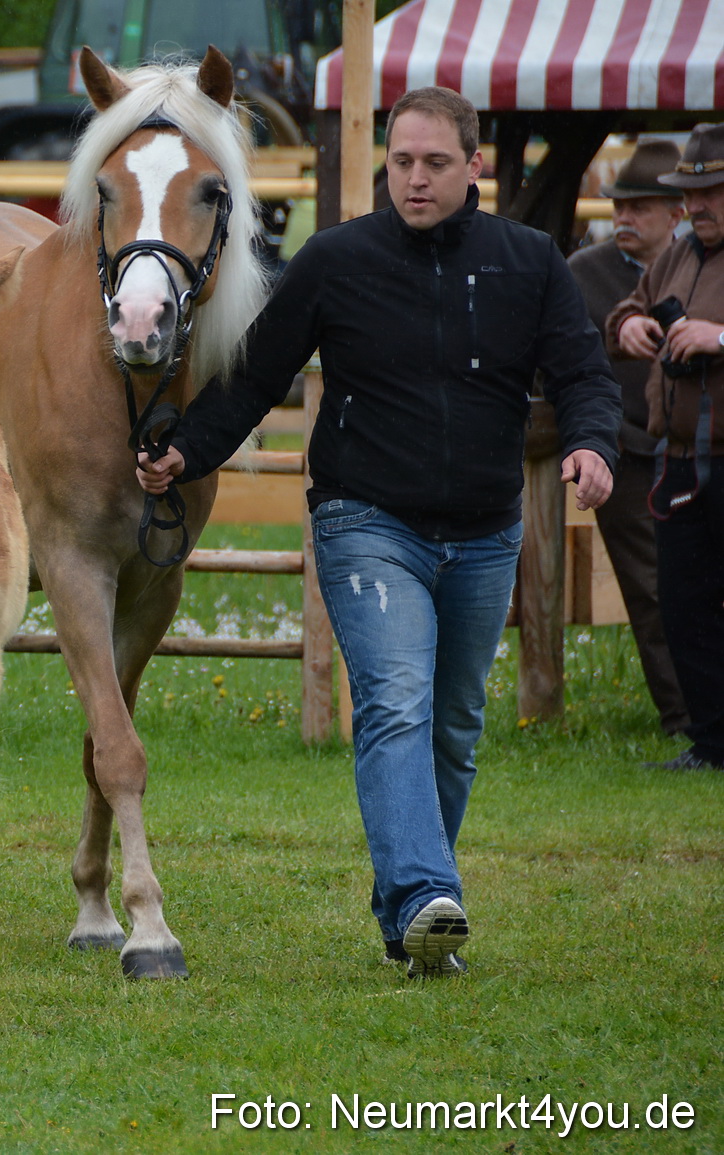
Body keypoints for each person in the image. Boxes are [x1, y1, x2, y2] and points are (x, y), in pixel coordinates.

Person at [138, 87, 621, 977]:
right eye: (401, 161)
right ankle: (432, 891)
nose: (416, 178)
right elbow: (252, 380)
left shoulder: (529, 261)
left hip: (483, 531)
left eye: (435, 162)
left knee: (454, 723)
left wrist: (592, 445)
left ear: (472, 165)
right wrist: (185, 452)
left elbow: (583, 371)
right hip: (366, 518)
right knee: (396, 700)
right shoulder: (335, 260)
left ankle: (409, 905)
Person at [606, 124, 724, 773]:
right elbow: (626, 306)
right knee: (683, 602)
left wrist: (719, 336)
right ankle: (711, 741)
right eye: (692, 190)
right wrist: (634, 325)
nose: (699, 203)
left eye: (711, 190)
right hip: (678, 458)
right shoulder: (678, 256)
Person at [567, 141, 690, 737]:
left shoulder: (702, 267)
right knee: (650, 592)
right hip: (626, 455)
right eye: (618, 207)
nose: (623, 219)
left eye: (640, 208)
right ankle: (684, 719)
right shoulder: (582, 274)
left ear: (677, 213)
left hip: (700, 449)